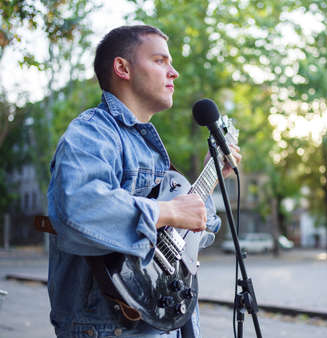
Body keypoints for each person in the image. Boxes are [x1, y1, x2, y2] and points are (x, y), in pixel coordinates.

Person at [47, 25, 240, 337]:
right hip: (111, 328)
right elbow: (79, 205)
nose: (173, 72)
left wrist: (211, 176)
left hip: (164, 320)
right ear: (123, 68)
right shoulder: (93, 133)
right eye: (160, 60)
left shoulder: (148, 148)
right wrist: (169, 211)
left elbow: (185, 240)